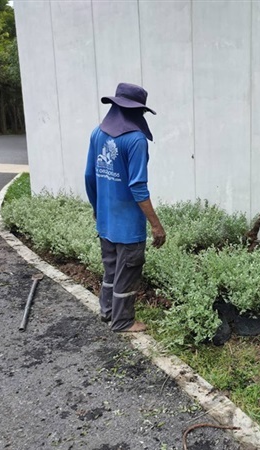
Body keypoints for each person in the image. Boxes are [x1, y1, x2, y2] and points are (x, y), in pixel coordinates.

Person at [85, 82, 166, 333]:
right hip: (129, 226)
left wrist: (98, 208)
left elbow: (90, 176)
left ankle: (107, 311)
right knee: (128, 271)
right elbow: (138, 187)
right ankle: (123, 321)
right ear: (136, 111)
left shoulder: (98, 134)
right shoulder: (136, 140)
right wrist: (156, 225)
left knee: (110, 269)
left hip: (106, 220)